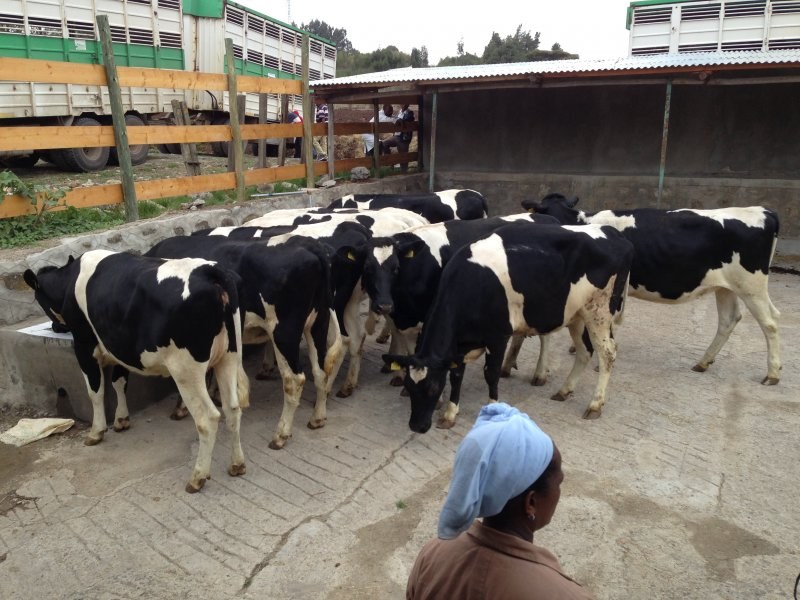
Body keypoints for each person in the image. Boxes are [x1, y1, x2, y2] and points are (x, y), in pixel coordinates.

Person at [406, 403, 593, 600]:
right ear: (531, 502)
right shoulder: (566, 594)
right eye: (559, 483)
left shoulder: (432, 555)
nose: (559, 493)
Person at [382, 104, 415, 171]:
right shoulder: (400, 112)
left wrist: (399, 120)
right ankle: (390, 162)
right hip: (396, 136)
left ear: (407, 105)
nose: (402, 105)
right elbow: (396, 120)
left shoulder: (409, 112)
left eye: (404, 104)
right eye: (402, 104)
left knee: (403, 156)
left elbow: (408, 120)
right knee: (385, 143)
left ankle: (404, 172)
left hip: (403, 138)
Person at [312, 97, 328, 161]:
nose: (315, 103)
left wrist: (320, 128)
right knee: (323, 142)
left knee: (313, 140)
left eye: (316, 102)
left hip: (322, 126)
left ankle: (322, 154)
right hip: (326, 126)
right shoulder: (325, 106)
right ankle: (325, 157)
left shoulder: (321, 107)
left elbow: (322, 119)